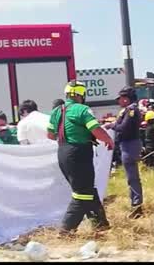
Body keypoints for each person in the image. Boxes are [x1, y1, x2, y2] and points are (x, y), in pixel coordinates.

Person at [47, 80, 114, 234]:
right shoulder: (83, 110)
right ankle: (65, 231)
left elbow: (50, 135)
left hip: (62, 152)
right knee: (82, 194)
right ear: (81, 94)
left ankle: (101, 225)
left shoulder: (57, 111)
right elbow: (95, 129)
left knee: (87, 189)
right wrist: (108, 140)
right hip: (78, 153)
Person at [104, 86, 143, 219]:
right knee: (131, 177)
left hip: (130, 145)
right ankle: (136, 204)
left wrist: (111, 125)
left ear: (126, 99)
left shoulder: (131, 110)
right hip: (128, 145)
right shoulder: (128, 110)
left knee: (132, 177)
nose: (119, 101)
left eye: (120, 99)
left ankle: (137, 206)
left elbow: (124, 128)